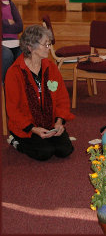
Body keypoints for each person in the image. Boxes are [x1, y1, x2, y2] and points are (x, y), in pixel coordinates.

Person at [5, 25, 75, 161]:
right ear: (30, 48)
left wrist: (59, 122)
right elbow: (13, 110)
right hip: (27, 126)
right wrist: (33, 129)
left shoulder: (51, 67)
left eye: (49, 43)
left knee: (65, 150)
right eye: (45, 44)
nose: (49, 47)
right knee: (45, 153)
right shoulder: (14, 73)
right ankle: (16, 141)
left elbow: (62, 98)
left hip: (50, 123)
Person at [2, 0, 23, 82]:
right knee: (7, 55)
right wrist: (7, 22)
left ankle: (20, 84)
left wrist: (3, 25)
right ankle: (5, 84)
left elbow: (19, 27)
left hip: (14, 41)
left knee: (24, 53)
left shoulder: (9, 3)